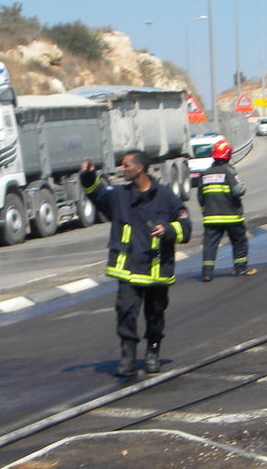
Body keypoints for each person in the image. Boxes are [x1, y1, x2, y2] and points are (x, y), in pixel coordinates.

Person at [80, 151, 192, 377]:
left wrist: (168, 230)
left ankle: (152, 353)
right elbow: (97, 194)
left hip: (157, 271)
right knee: (125, 313)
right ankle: (128, 358)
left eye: (125, 165)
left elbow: (186, 226)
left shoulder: (166, 196)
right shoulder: (119, 195)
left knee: (155, 315)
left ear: (139, 168)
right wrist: (87, 177)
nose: (121, 169)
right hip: (129, 270)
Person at [196, 138, 254, 280]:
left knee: (210, 246)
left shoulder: (205, 174)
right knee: (239, 242)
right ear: (228, 154)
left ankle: (207, 274)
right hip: (232, 216)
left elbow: (200, 197)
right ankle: (240, 269)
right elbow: (238, 191)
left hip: (211, 217)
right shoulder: (229, 171)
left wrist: (205, 211)